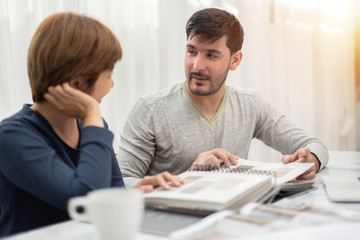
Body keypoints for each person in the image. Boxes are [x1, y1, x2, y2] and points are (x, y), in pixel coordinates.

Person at [0, 12, 183, 237]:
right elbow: (86, 198)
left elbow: (110, 191)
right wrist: (91, 113)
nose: (112, 83)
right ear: (77, 83)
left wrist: (136, 193)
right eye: (109, 74)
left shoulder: (92, 125)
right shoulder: (12, 136)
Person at [117, 8, 329, 188]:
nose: (197, 66)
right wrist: (189, 177)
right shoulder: (150, 108)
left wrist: (309, 160)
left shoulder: (250, 104)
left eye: (211, 55)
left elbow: (315, 146)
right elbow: (119, 183)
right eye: (192, 51)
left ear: (235, 60)